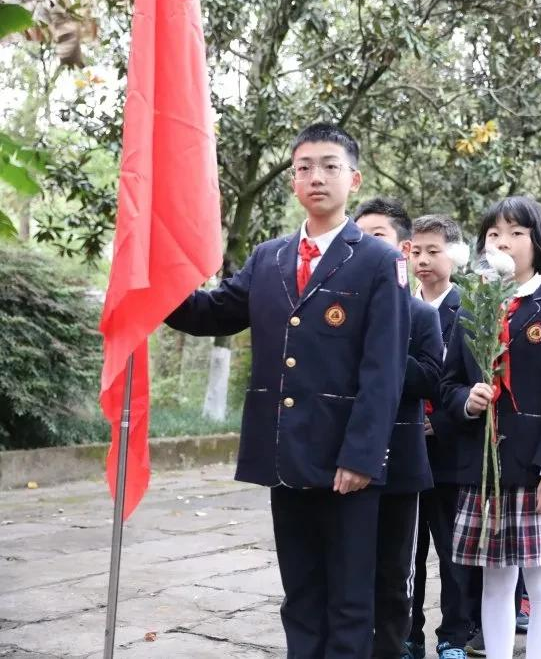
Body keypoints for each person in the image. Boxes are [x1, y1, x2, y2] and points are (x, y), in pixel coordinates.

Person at [164, 123, 411, 657]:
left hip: (347, 461)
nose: (315, 177)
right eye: (303, 168)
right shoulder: (268, 257)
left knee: (348, 598)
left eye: (328, 166)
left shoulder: (378, 261)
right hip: (285, 451)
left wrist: (362, 456)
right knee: (299, 594)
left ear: (353, 177)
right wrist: (157, 282)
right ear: (293, 180)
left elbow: (384, 369)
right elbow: (215, 312)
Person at [440, 196, 541, 659]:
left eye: (516, 233)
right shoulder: (471, 306)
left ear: (537, 242)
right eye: (493, 234)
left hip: (535, 467)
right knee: (494, 578)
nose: (503, 242)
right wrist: (467, 400)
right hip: (484, 470)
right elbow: (448, 384)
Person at [355, 199, 443, 659]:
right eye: (358, 237)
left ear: (403, 248)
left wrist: (376, 348)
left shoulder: (422, 315)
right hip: (344, 461)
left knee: (394, 574)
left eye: (377, 237)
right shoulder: (342, 310)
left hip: (401, 463)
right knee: (347, 570)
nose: (363, 247)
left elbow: (430, 376)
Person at [407, 215, 476, 659]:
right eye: (417, 251)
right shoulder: (397, 304)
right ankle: (405, 634)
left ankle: (454, 635)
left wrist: (445, 421)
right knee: (405, 554)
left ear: (455, 254)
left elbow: (479, 380)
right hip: (404, 449)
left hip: (451, 450)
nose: (425, 259)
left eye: (434, 250)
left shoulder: (471, 311)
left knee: (454, 552)